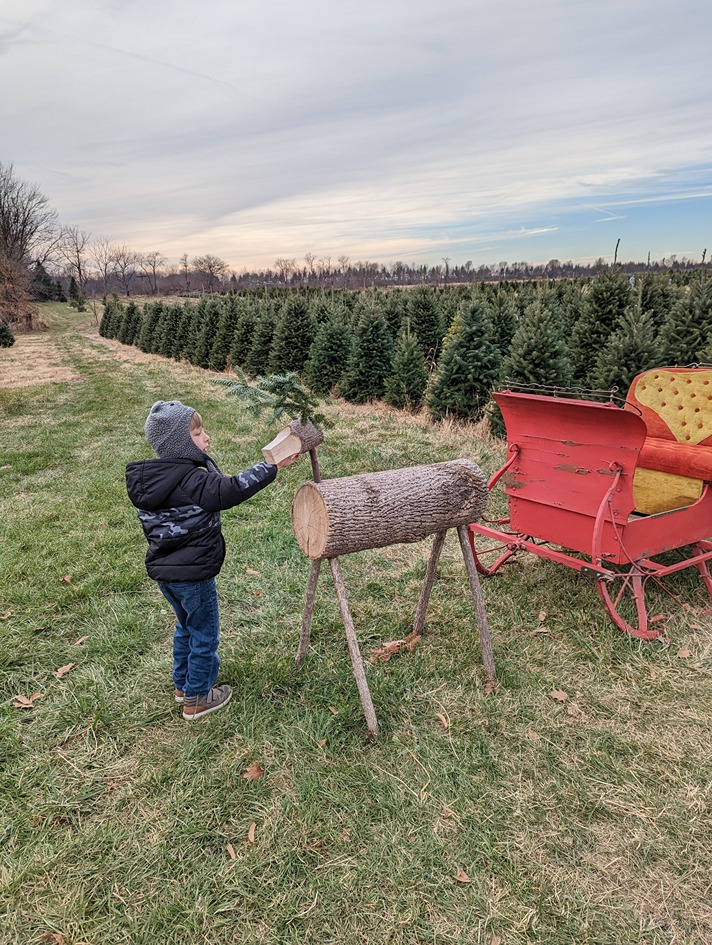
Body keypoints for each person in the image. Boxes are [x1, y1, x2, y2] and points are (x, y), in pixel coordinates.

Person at [126, 400, 299, 721]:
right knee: (205, 633)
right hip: (194, 575)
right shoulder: (190, 480)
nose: (207, 439)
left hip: (167, 575)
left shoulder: (153, 480)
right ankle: (198, 697)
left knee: (186, 628)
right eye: (198, 433)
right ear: (179, 443)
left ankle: (183, 685)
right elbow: (230, 489)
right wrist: (273, 466)